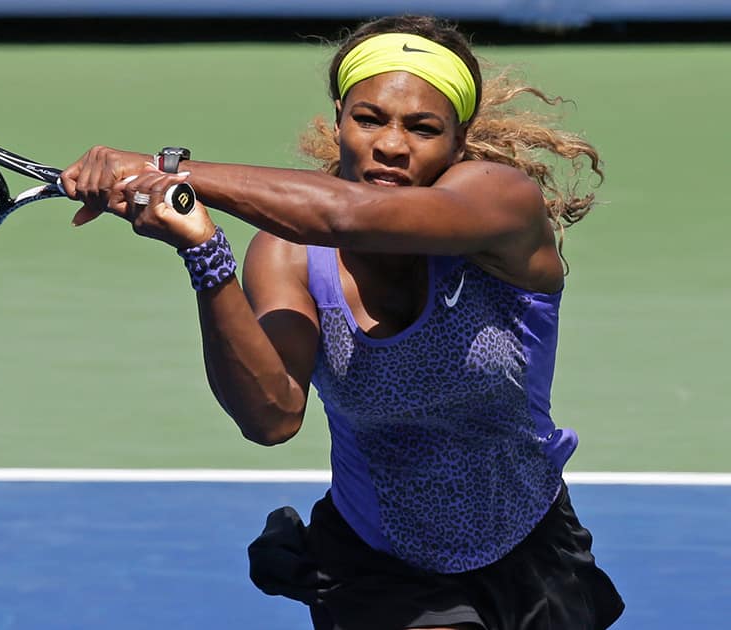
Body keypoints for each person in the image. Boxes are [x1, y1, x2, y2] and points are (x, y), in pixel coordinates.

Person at [61, 14, 624, 630]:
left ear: (459, 143)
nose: (390, 144)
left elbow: (353, 217)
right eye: (369, 118)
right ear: (339, 120)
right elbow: (272, 417)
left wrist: (165, 170)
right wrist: (204, 252)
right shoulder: (289, 255)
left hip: (533, 544)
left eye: (423, 128)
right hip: (380, 565)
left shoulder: (499, 203)